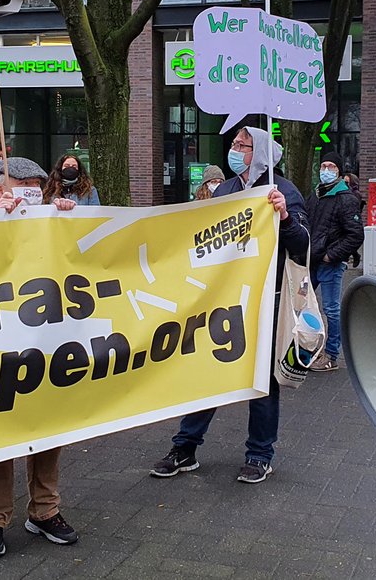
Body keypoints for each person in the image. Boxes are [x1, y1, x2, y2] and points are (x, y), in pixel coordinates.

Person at [150, 125, 308, 484]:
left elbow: (302, 243)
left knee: (262, 381)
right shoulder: (227, 190)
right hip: (223, 300)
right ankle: (185, 448)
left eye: (244, 145)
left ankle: (259, 454)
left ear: (263, 154)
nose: (235, 149)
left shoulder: (283, 191)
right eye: (235, 143)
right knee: (208, 371)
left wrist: (283, 217)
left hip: (266, 302)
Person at [0, 156, 78, 559]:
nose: (34, 191)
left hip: (45, 344)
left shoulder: (49, 218)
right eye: (25, 185)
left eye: (38, 184)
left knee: (47, 431)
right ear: (2, 189)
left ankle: (45, 511)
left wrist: (66, 216)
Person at [304, 152, 363, 372]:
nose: (326, 170)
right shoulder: (316, 195)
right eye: (323, 166)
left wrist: (332, 255)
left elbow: (356, 235)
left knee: (331, 309)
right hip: (311, 261)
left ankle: (331, 355)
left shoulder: (345, 198)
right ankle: (309, 347)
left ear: (339, 171)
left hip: (329, 263)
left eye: (331, 167)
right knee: (304, 305)